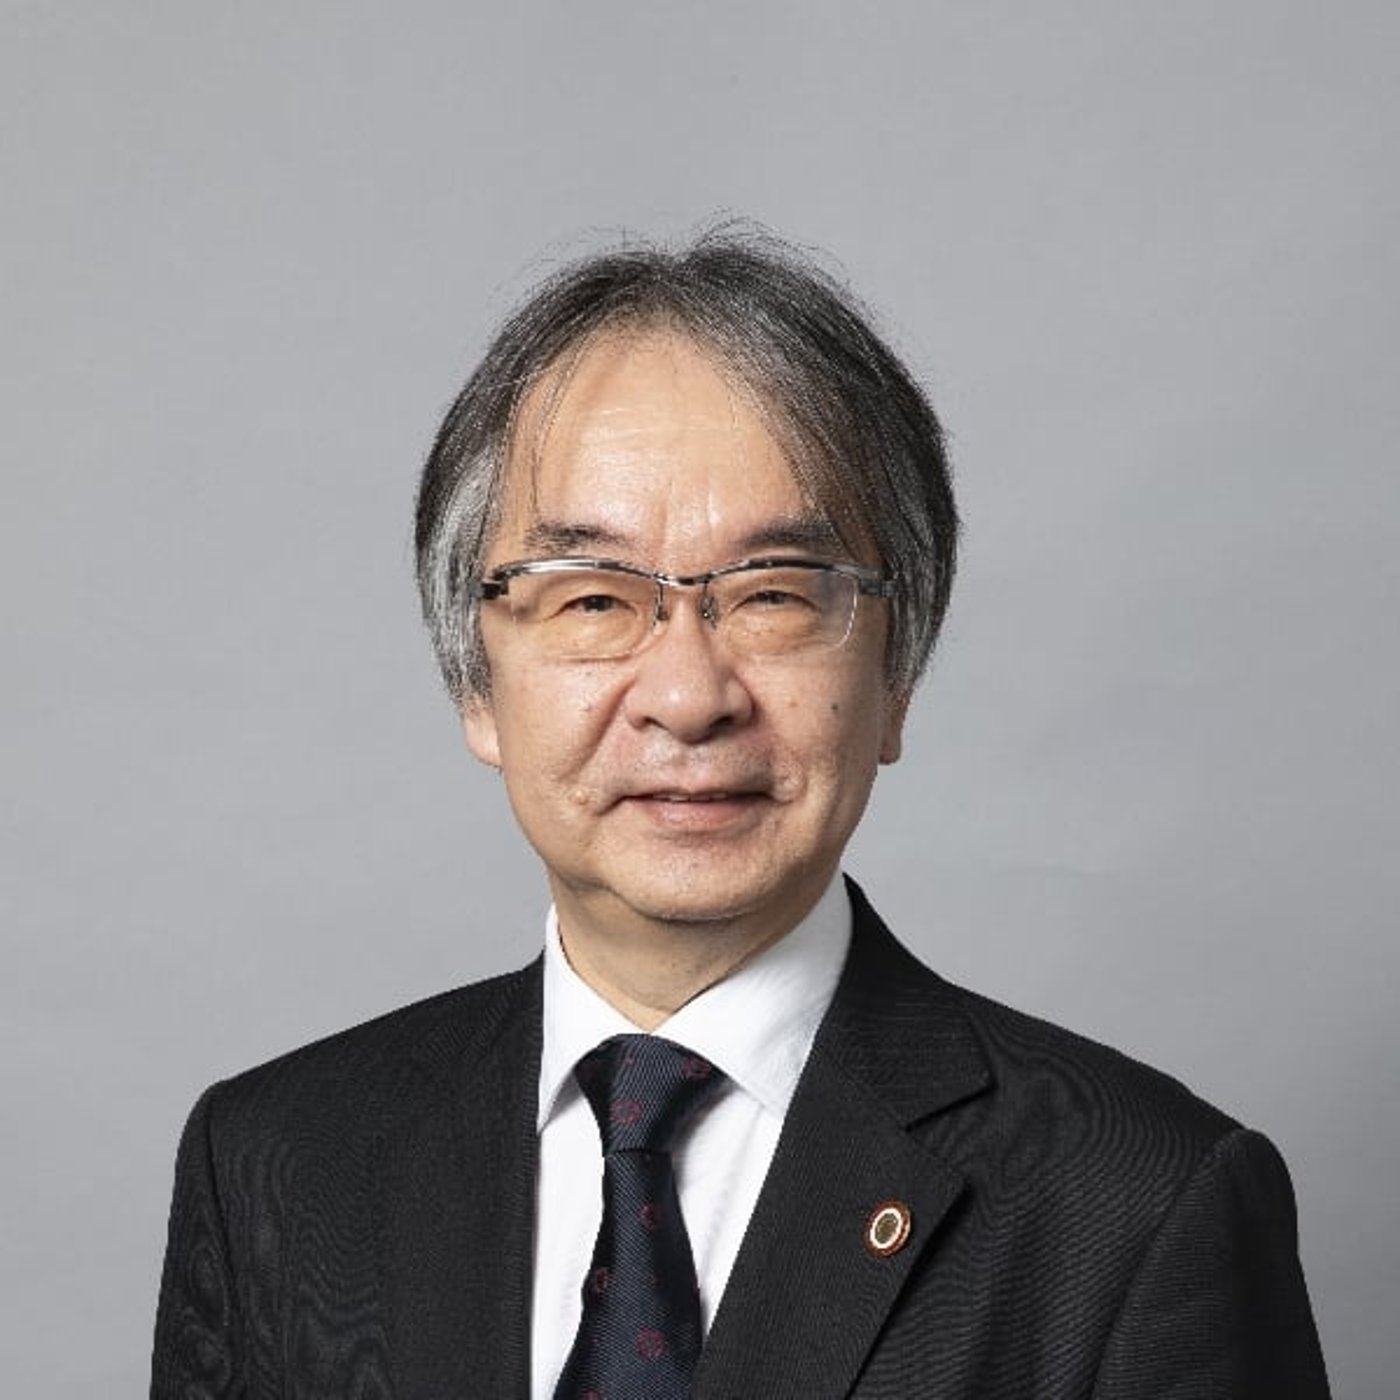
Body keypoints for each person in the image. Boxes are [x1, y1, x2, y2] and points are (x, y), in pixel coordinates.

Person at [151, 230, 1330, 1398]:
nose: (686, 695)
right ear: (474, 683)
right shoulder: (276, 1160)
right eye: (591, 598)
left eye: (772, 595)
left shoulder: (1140, 1204)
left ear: (895, 676)